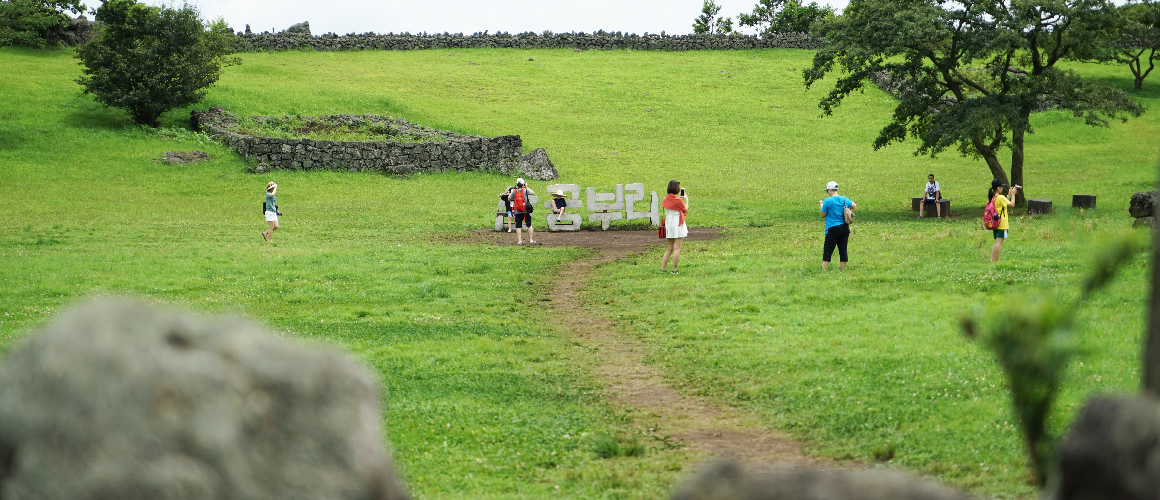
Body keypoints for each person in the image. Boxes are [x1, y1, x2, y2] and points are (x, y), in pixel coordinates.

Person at [820, 181, 856, 270]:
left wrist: (822, 206)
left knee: (828, 250)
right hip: (844, 228)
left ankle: (824, 270)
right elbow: (854, 206)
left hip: (832, 228)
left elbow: (823, 215)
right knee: (843, 249)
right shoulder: (844, 199)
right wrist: (848, 212)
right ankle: (842, 269)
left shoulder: (827, 201)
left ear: (829, 190)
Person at [660, 180, 689, 274]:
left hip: (669, 223)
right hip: (677, 223)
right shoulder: (678, 200)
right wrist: (686, 199)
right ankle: (674, 270)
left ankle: (663, 269)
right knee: (677, 248)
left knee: (669, 248)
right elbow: (685, 210)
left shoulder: (665, 199)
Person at [989, 179, 1020, 263]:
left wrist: (1009, 194)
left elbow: (1005, 202)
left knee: (997, 242)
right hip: (1001, 224)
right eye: (1001, 187)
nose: (1002, 188)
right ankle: (994, 260)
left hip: (995, 222)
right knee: (999, 242)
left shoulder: (993, 197)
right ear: (998, 188)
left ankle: (993, 260)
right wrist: (1013, 195)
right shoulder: (1000, 197)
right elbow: (1012, 204)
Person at [506, 178, 536, 245]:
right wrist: (527, 187)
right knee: (529, 225)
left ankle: (519, 241)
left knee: (518, 226)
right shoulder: (525, 190)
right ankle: (531, 240)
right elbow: (532, 192)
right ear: (523, 184)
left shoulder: (514, 191)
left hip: (517, 211)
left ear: (517, 184)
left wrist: (511, 193)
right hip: (525, 211)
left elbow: (509, 198)